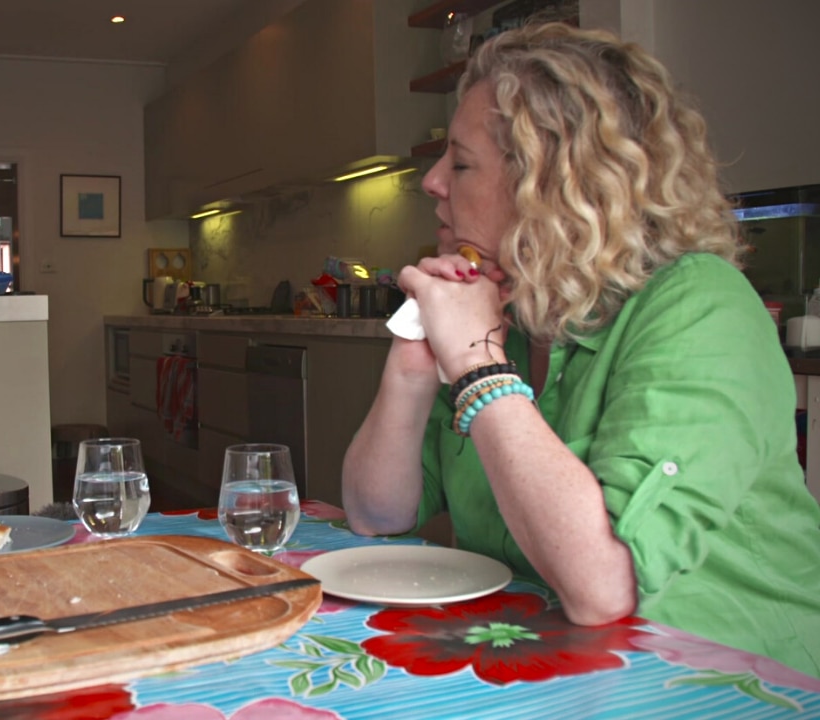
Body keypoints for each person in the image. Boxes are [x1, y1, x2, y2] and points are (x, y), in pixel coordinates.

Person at [342, 22, 820, 677]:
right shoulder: (506, 314)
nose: (430, 183)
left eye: (459, 162)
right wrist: (412, 365)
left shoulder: (702, 305)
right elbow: (376, 514)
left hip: (731, 685)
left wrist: (480, 369)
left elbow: (602, 588)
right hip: (555, 667)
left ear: (551, 182)